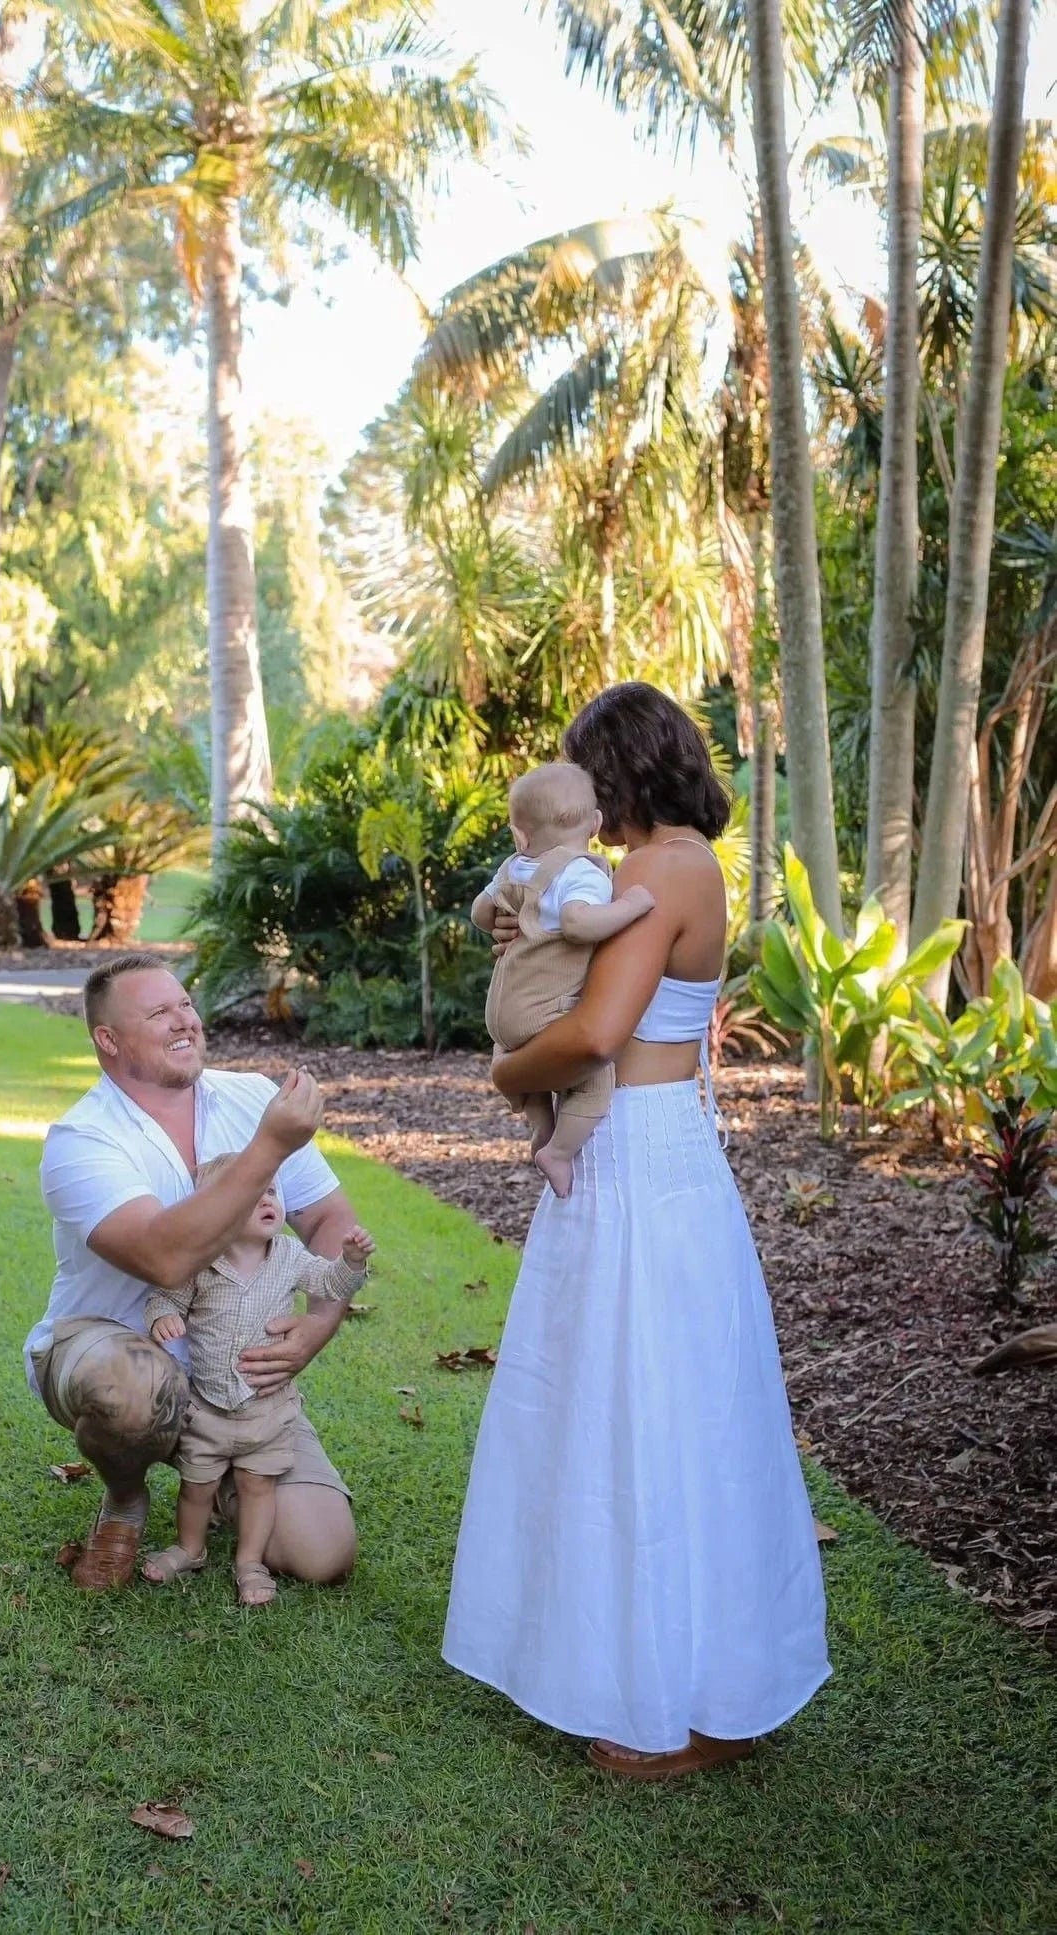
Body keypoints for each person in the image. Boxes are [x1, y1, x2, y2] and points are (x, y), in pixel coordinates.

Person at [443, 683, 830, 1781]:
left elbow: (597, 1031)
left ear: (617, 772)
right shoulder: (671, 865)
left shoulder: (661, 870)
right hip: (648, 1149)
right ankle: (655, 1671)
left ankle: (687, 1709)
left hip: (640, 1155)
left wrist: (504, 1069)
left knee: (653, 1414)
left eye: (585, 777)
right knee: (640, 1406)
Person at [26, 952, 360, 1592]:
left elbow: (330, 1225)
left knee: (322, 1553)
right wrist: (269, 1148)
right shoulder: (82, 1139)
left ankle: (224, 1481)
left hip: (232, 1378)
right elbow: (164, 1257)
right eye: (159, 1013)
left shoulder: (250, 1098)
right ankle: (125, 1495)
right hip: (108, 1349)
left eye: (186, 1004)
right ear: (109, 1040)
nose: (185, 1022)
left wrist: (319, 1326)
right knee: (135, 1391)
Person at [141, 1158, 374, 1605]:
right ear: (217, 1211)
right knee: (197, 1485)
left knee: (258, 1486)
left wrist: (351, 1262)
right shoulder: (202, 1265)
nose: (268, 1199)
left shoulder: (288, 1256)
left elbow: (329, 1283)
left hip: (266, 1408)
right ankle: (189, 1548)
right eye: (254, 1193)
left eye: (272, 1191)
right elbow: (164, 1296)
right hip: (208, 1408)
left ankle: (250, 1561)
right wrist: (164, 1316)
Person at [472, 762, 655, 1196]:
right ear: (595, 823)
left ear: (520, 836)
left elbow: (481, 912)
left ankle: (541, 1124)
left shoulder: (514, 866)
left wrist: (498, 917)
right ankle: (559, 1151)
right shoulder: (582, 873)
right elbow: (577, 922)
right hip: (541, 1011)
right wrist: (630, 907)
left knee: (526, 1062)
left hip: (501, 1018)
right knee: (595, 1081)